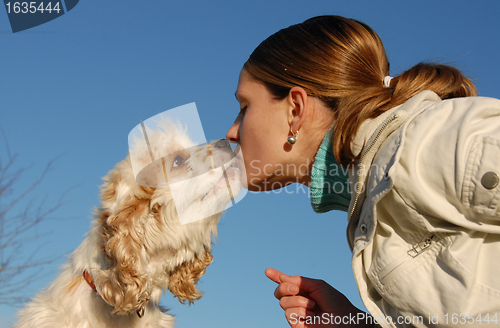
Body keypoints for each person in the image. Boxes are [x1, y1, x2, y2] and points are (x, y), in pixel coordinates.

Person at [226, 15, 500, 328]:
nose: (232, 132)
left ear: (296, 110)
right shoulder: (368, 198)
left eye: (244, 106)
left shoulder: (427, 140)